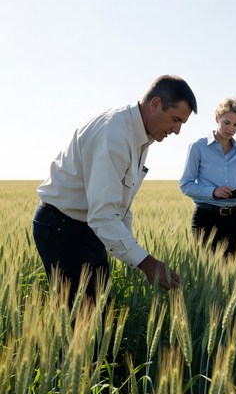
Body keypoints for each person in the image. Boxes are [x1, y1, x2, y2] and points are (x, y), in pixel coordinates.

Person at [32, 75, 197, 305]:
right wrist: (146, 262)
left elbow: (119, 206)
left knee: (100, 315)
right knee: (83, 322)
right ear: (156, 104)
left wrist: (134, 253)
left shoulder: (141, 136)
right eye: (175, 119)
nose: (177, 131)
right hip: (62, 229)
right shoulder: (115, 134)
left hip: (89, 228)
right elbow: (103, 214)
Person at [179, 97, 236, 257]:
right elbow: (186, 184)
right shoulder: (198, 147)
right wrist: (213, 191)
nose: (230, 128)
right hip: (206, 219)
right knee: (203, 271)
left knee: (232, 273)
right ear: (217, 118)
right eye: (226, 122)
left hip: (235, 220)